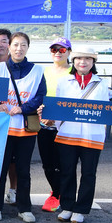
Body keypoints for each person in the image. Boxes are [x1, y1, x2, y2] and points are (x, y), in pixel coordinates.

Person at [0, 32, 46, 223]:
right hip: (2, 128)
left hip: (25, 129)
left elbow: (40, 96)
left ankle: (24, 207)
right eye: (15, 45)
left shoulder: (37, 71)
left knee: (23, 170)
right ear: (9, 47)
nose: (18, 49)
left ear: (28, 48)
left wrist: (22, 108)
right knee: (0, 168)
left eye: (23, 45)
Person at [54, 47, 111, 223]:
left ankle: (81, 209)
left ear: (93, 62)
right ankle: (67, 206)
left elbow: (107, 110)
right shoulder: (64, 81)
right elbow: (58, 107)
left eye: (88, 59)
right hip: (68, 134)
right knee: (67, 171)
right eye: (79, 58)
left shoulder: (101, 83)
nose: (83, 62)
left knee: (88, 173)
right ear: (73, 61)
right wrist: (58, 125)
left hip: (92, 135)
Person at [37, 37, 72, 213]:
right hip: (44, 125)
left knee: (64, 164)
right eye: (54, 49)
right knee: (48, 164)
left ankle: (60, 194)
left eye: (62, 50)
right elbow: (37, 96)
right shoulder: (44, 72)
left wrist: (57, 117)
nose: (58, 53)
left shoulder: (74, 73)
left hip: (66, 126)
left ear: (69, 52)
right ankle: (56, 191)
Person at [0, 28, 17, 203]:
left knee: (13, 161)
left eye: (4, 41)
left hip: (15, 120)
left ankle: (13, 190)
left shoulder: (17, 65)